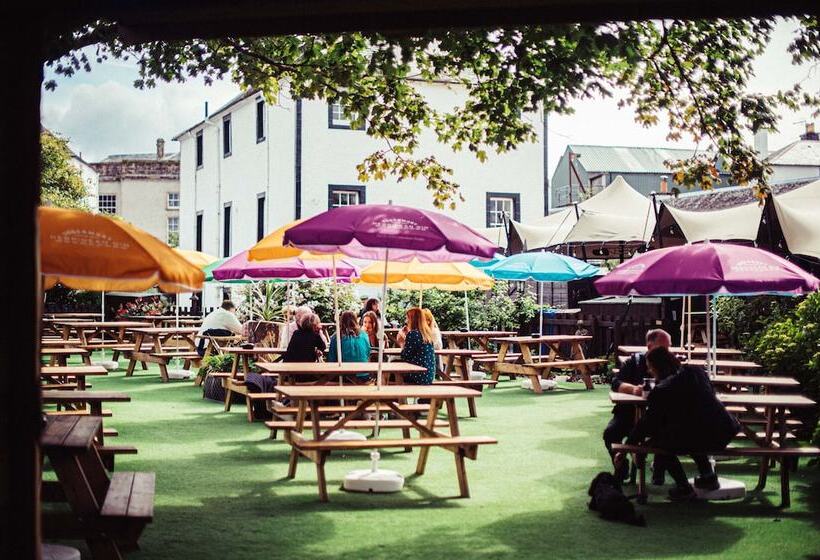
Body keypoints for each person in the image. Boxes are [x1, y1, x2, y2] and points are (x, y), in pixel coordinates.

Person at [616, 347, 741, 501]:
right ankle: (708, 476)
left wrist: (624, 449)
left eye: (650, 367)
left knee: (662, 442)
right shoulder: (696, 372)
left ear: (657, 368)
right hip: (725, 430)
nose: (649, 371)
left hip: (705, 438)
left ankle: (684, 487)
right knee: (690, 431)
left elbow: (646, 424)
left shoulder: (662, 390)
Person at [604, 328, 671, 481]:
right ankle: (622, 468)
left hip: (658, 416)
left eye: (669, 347)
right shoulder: (635, 361)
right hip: (628, 413)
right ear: (650, 346)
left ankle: (658, 469)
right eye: (664, 347)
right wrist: (633, 389)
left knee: (666, 434)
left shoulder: (670, 365)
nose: (667, 351)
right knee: (610, 434)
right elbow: (615, 383)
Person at [328, 311, 372, 379]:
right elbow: (367, 353)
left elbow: (332, 360)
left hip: (344, 376)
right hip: (364, 374)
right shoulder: (364, 335)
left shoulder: (336, 337)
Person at [399, 307, 437, 385]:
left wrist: (402, 342)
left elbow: (405, 356)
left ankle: (396, 393)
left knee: (388, 372)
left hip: (418, 376)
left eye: (407, 318)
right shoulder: (427, 334)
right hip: (429, 376)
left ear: (413, 320)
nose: (406, 321)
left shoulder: (413, 334)